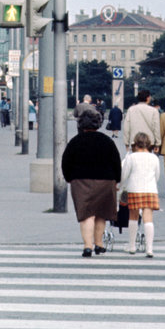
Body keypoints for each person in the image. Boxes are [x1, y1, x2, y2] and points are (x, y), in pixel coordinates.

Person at [62, 109, 122, 257]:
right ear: (98, 123)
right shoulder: (107, 141)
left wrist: (69, 177)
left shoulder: (75, 142)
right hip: (105, 181)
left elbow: (66, 162)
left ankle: (87, 246)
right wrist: (117, 180)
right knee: (101, 213)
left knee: (86, 214)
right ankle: (99, 244)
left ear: (81, 124)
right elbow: (116, 162)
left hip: (81, 181)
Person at [121, 131, 162, 256]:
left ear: (136, 144)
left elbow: (124, 174)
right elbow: (157, 175)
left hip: (134, 188)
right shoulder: (154, 158)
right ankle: (149, 248)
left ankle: (132, 246)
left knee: (133, 217)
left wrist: (120, 186)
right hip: (150, 189)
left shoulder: (131, 158)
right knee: (148, 219)